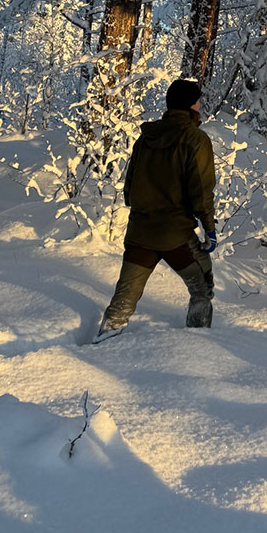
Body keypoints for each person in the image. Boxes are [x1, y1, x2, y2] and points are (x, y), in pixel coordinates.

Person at [96, 78, 217, 339]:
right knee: (202, 287)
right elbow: (202, 190)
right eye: (198, 100)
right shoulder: (196, 140)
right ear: (190, 105)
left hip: (139, 232)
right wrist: (209, 227)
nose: (200, 104)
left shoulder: (145, 138)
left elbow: (129, 189)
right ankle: (198, 343)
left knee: (124, 299)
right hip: (175, 236)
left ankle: (105, 339)